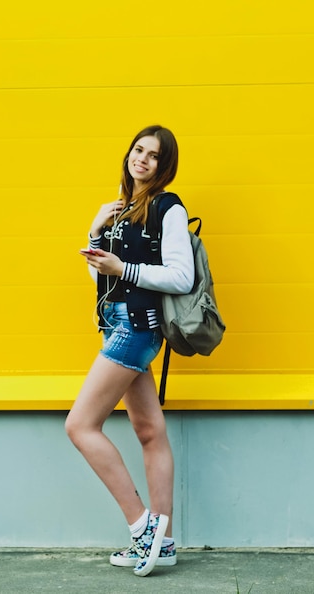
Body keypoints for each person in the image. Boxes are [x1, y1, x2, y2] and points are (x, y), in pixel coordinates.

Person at [65, 125, 195, 577]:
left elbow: (182, 277)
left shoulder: (167, 208)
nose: (142, 159)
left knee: (80, 426)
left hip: (137, 329)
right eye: (137, 150)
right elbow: (103, 280)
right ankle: (166, 543)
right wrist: (96, 231)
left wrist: (123, 266)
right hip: (116, 324)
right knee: (148, 431)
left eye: (153, 156)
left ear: (165, 165)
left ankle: (143, 528)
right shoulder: (120, 209)